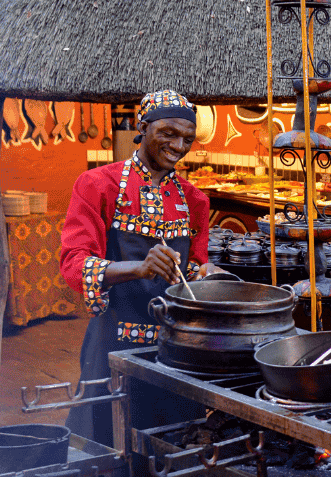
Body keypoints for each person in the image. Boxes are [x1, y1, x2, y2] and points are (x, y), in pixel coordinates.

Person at [60, 89, 220, 446]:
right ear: (142, 126)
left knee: (172, 445)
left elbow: (193, 268)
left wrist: (207, 275)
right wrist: (138, 267)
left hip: (176, 347)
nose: (178, 146)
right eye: (169, 133)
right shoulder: (98, 185)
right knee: (108, 442)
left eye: (187, 139)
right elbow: (74, 263)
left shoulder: (194, 199)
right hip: (114, 343)